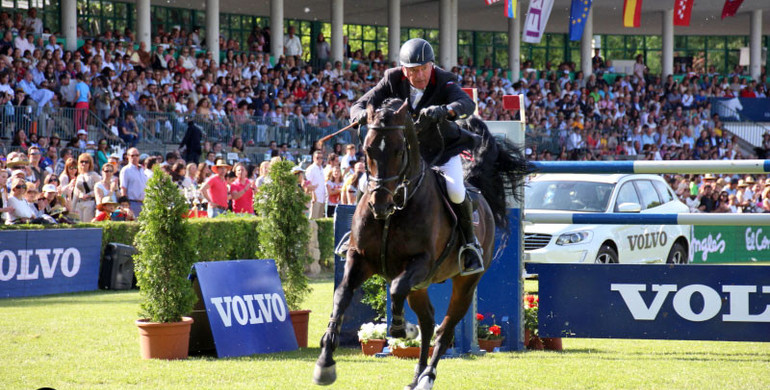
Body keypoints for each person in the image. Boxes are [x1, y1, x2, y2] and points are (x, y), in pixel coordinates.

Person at [348, 38, 484, 275]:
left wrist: (445, 110)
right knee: (364, 182)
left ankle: (469, 245)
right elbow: (360, 104)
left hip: (440, 151)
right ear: (404, 70)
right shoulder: (391, 78)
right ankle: (355, 237)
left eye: (423, 68)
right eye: (413, 70)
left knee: (455, 190)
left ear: (432, 65)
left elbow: (466, 104)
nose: (419, 75)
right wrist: (361, 115)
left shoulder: (443, 79)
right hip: (404, 156)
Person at [120, 147, 148, 217]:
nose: (135, 157)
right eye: (132, 155)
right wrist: (125, 206)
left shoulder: (142, 169)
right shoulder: (125, 170)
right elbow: (123, 188)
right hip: (132, 203)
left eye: (137, 155)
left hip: (144, 202)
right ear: (128, 156)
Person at [73, 153, 101, 222]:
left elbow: (100, 189)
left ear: (90, 164)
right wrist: (72, 208)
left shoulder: (94, 175)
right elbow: (75, 193)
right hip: (79, 203)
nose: (84, 164)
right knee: (78, 224)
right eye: (82, 161)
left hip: (89, 202)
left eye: (86, 162)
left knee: (87, 224)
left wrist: (89, 195)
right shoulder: (79, 176)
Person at [304, 150, 327, 219]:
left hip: (322, 198)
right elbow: (307, 183)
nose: (320, 160)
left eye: (321, 158)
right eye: (317, 158)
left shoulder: (322, 169)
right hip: (314, 199)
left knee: (319, 221)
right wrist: (313, 195)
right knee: (313, 220)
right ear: (313, 158)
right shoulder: (311, 169)